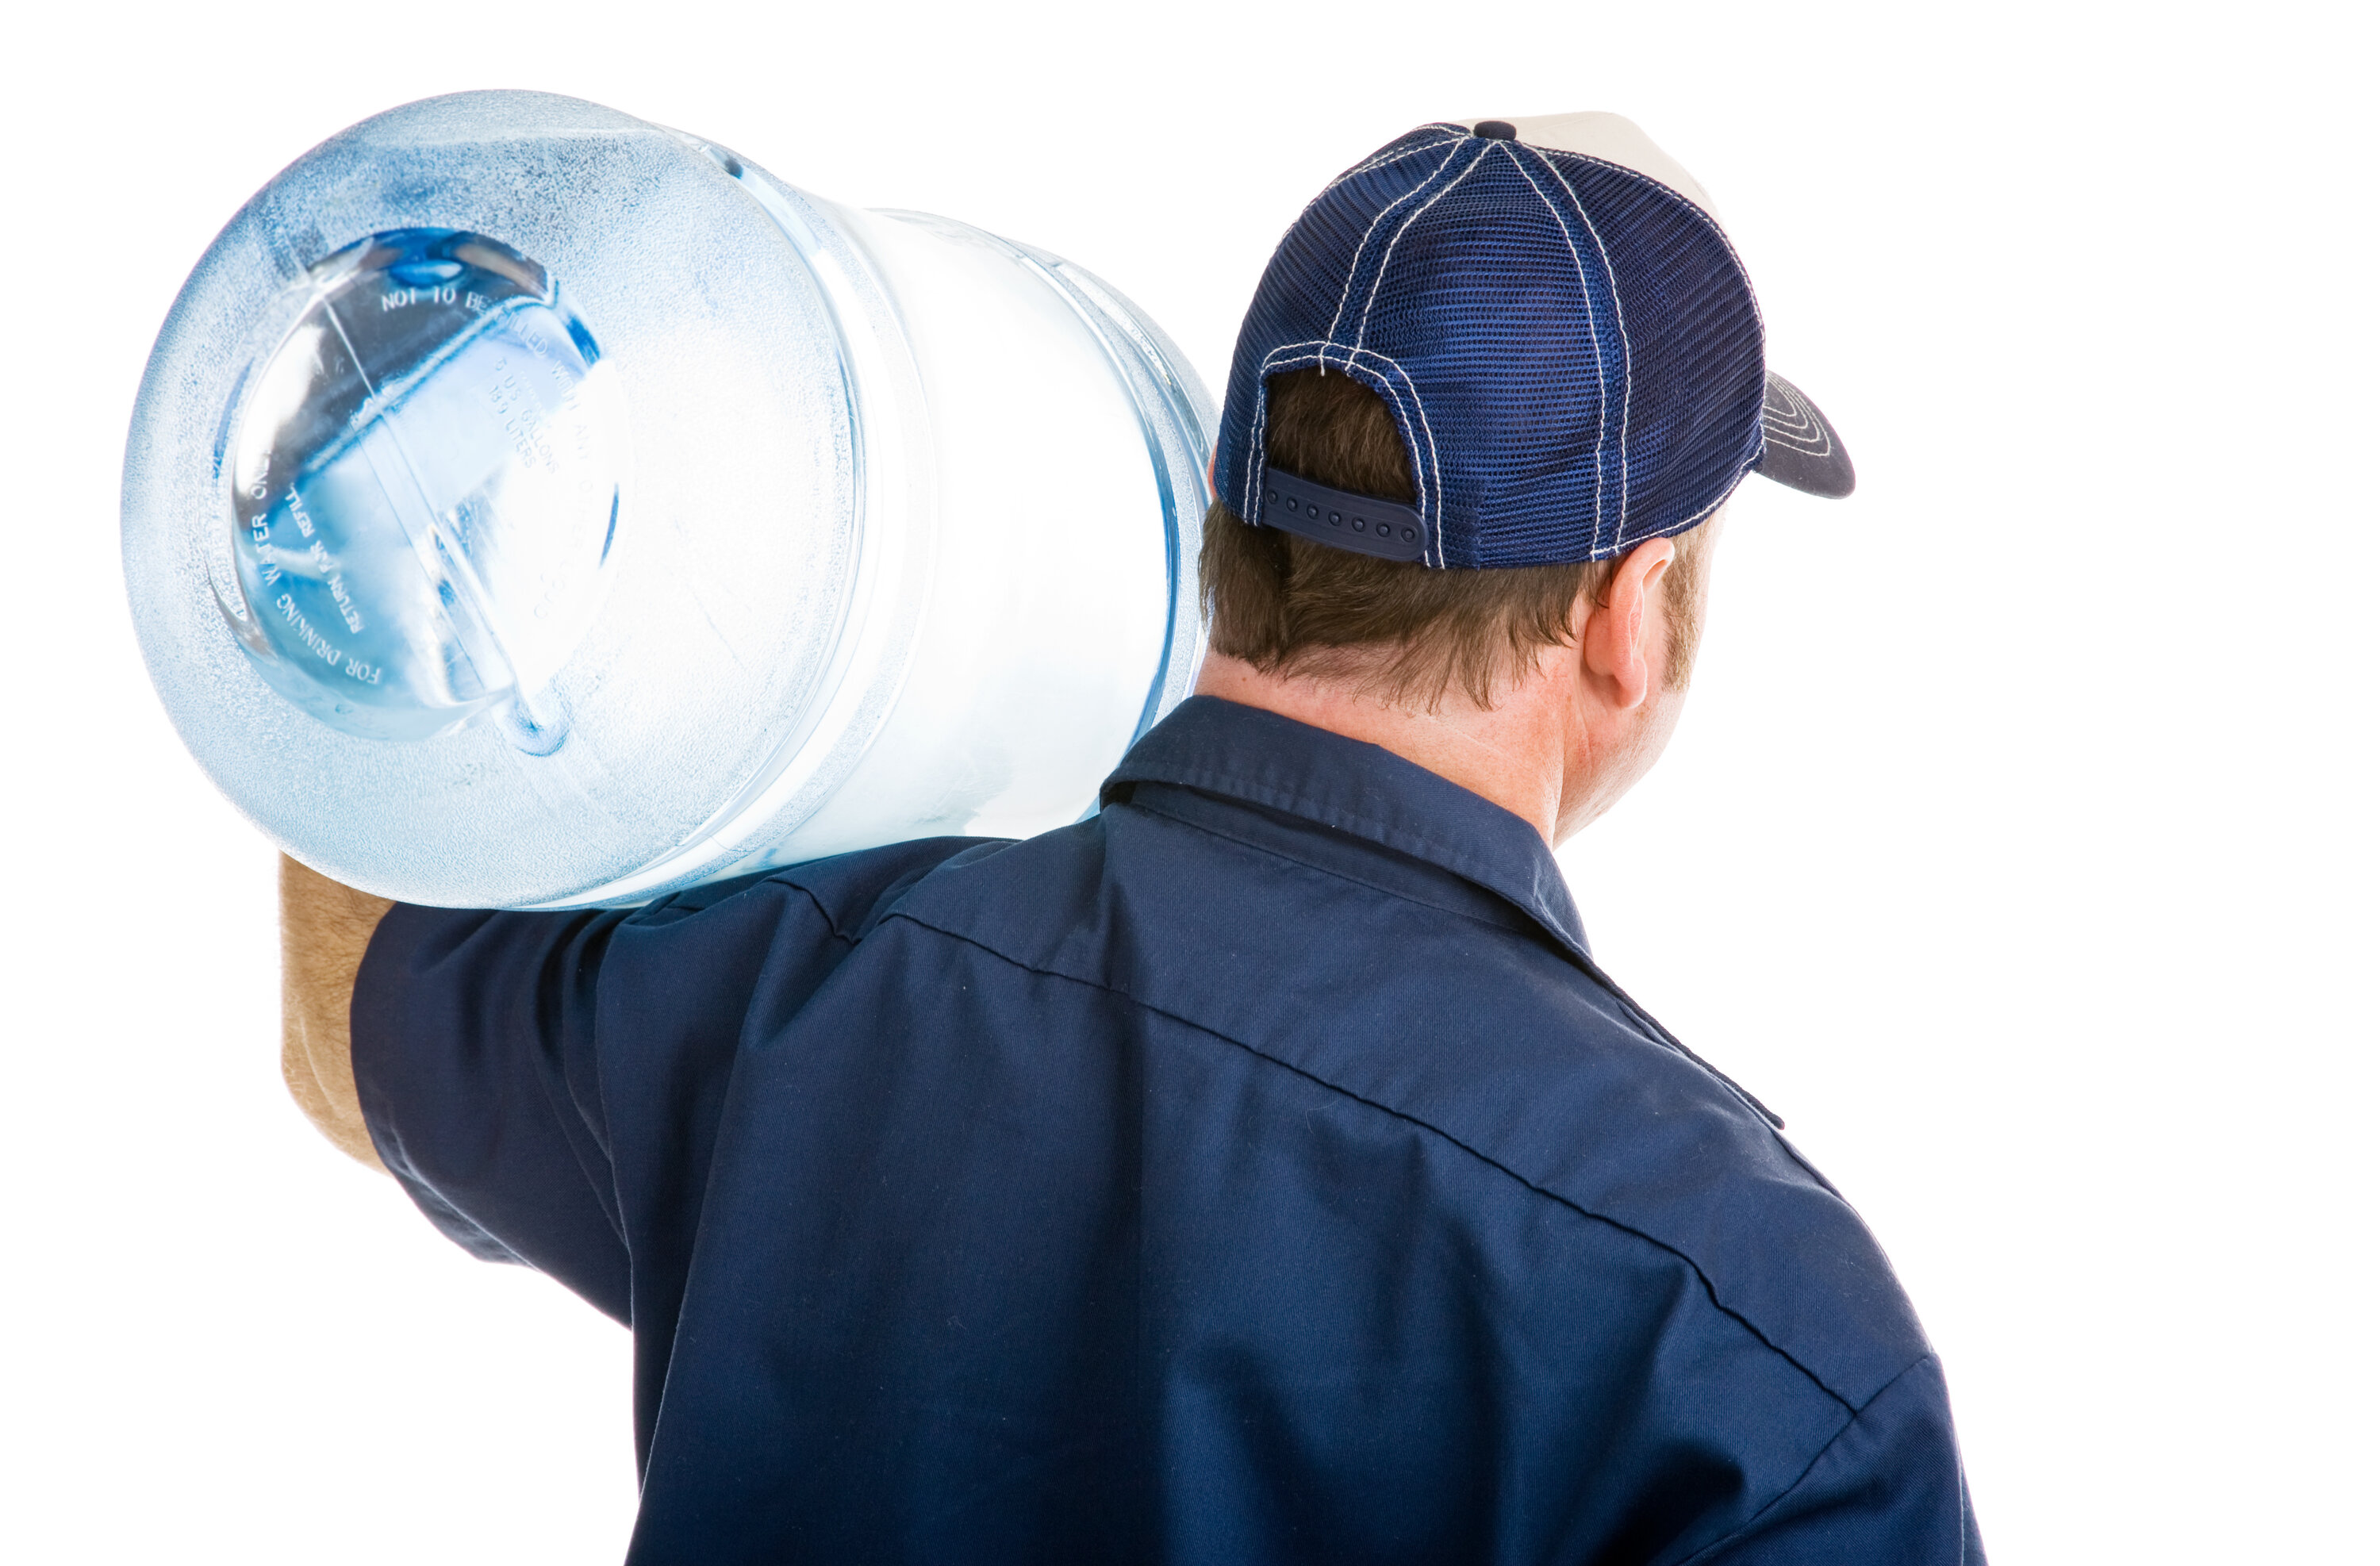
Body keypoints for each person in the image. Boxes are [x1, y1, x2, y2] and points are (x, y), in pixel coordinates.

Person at [282, 113, 1984, 1563]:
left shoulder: (793, 994)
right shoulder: (1749, 1336)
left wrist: (382, 483)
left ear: (1232, 511)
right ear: (1629, 611)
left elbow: (351, 999)